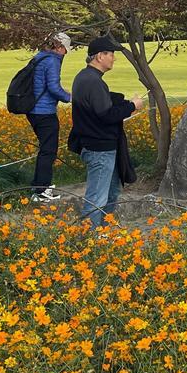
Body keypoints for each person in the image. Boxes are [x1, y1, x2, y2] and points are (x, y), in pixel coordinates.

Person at [70, 34, 144, 227]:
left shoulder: (85, 77)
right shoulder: (93, 81)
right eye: (110, 54)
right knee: (97, 198)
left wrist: (123, 102)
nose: (113, 58)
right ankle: (90, 238)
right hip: (99, 149)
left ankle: (103, 231)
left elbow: (101, 105)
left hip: (101, 146)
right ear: (98, 56)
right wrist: (132, 106)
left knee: (111, 193)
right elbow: (106, 114)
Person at [27, 32, 74, 203]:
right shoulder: (52, 60)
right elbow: (53, 88)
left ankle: (38, 186)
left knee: (45, 149)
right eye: (65, 50)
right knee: (48, 150)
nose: (65, 53)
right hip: (44, 111)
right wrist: (70, 98)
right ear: (59, 47)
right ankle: (42, 190)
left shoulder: (40, 56)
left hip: (34, 110)